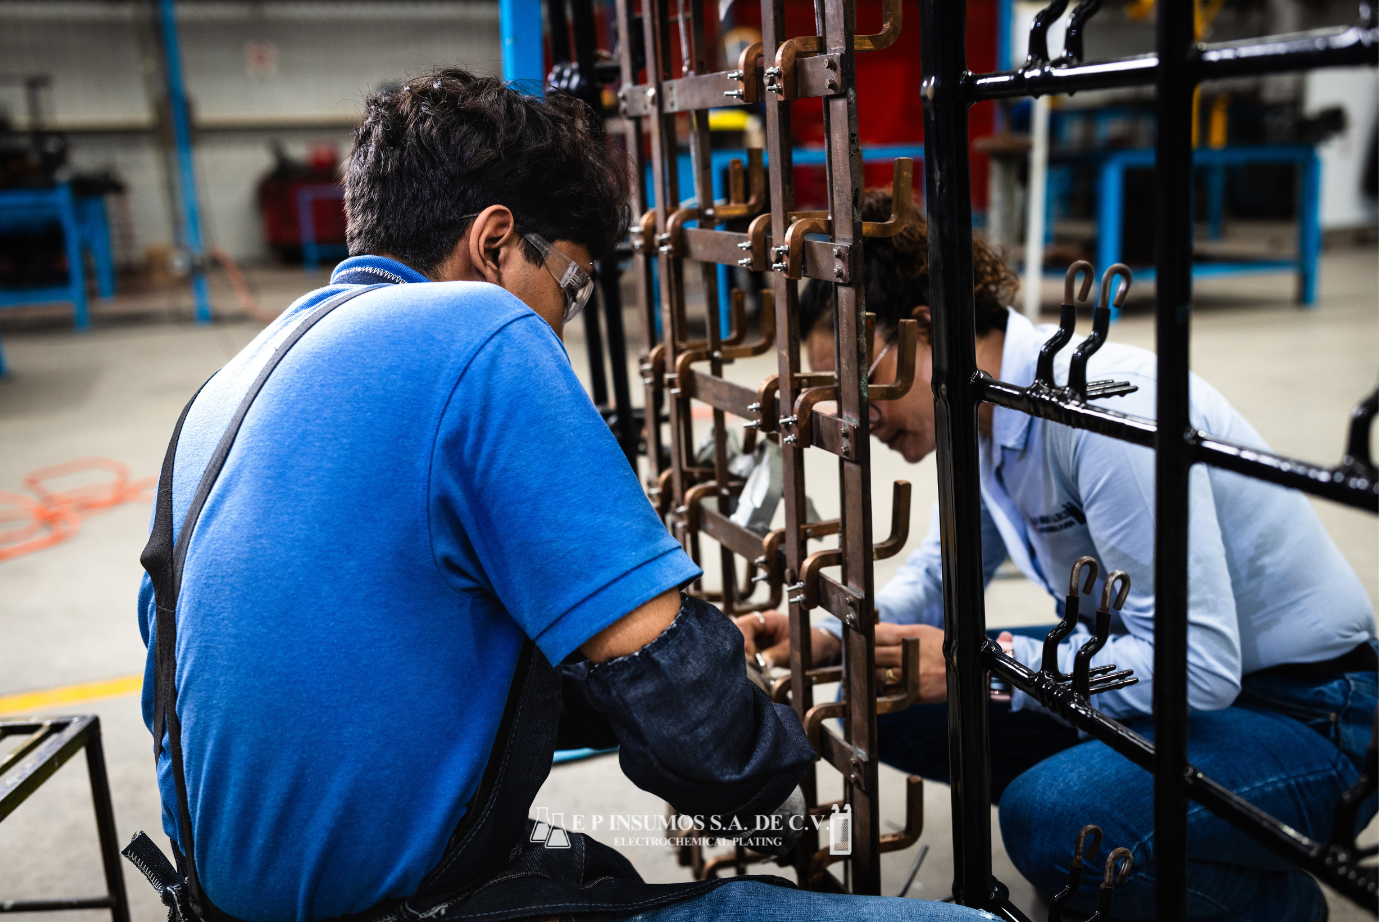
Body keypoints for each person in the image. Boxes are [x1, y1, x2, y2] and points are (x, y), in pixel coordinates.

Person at [129, 72, 991, 922]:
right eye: (572, 287)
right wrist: (773, 750)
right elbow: (711, 745)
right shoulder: (479, 328)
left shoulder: (227, 390)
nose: (561, 324)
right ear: (495, 244)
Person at [736, 188, 1378, 921]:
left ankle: (1267, 902)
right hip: (1173, 678)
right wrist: (829, 638)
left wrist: (992, 672)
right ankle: (1126, 821)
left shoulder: (1096, 410)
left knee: (1050, 816)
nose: (853, 418)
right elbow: (946, 576)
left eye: (856, 386)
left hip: (1310, 715)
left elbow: (1197, 664)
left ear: (920, 331)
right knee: (881, 697)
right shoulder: (976, 414)